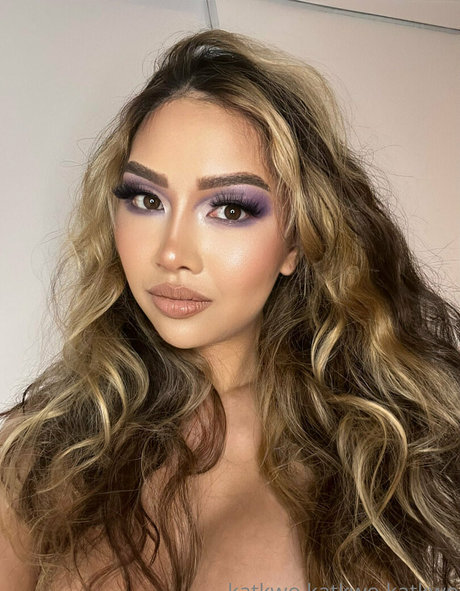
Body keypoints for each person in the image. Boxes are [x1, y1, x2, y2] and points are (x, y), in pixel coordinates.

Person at [0, 28, 459, 591]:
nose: (172, 253)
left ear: (296, 241)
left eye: (230, 209)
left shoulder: (394, 457)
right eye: (147, 199)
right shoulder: (44, 455)